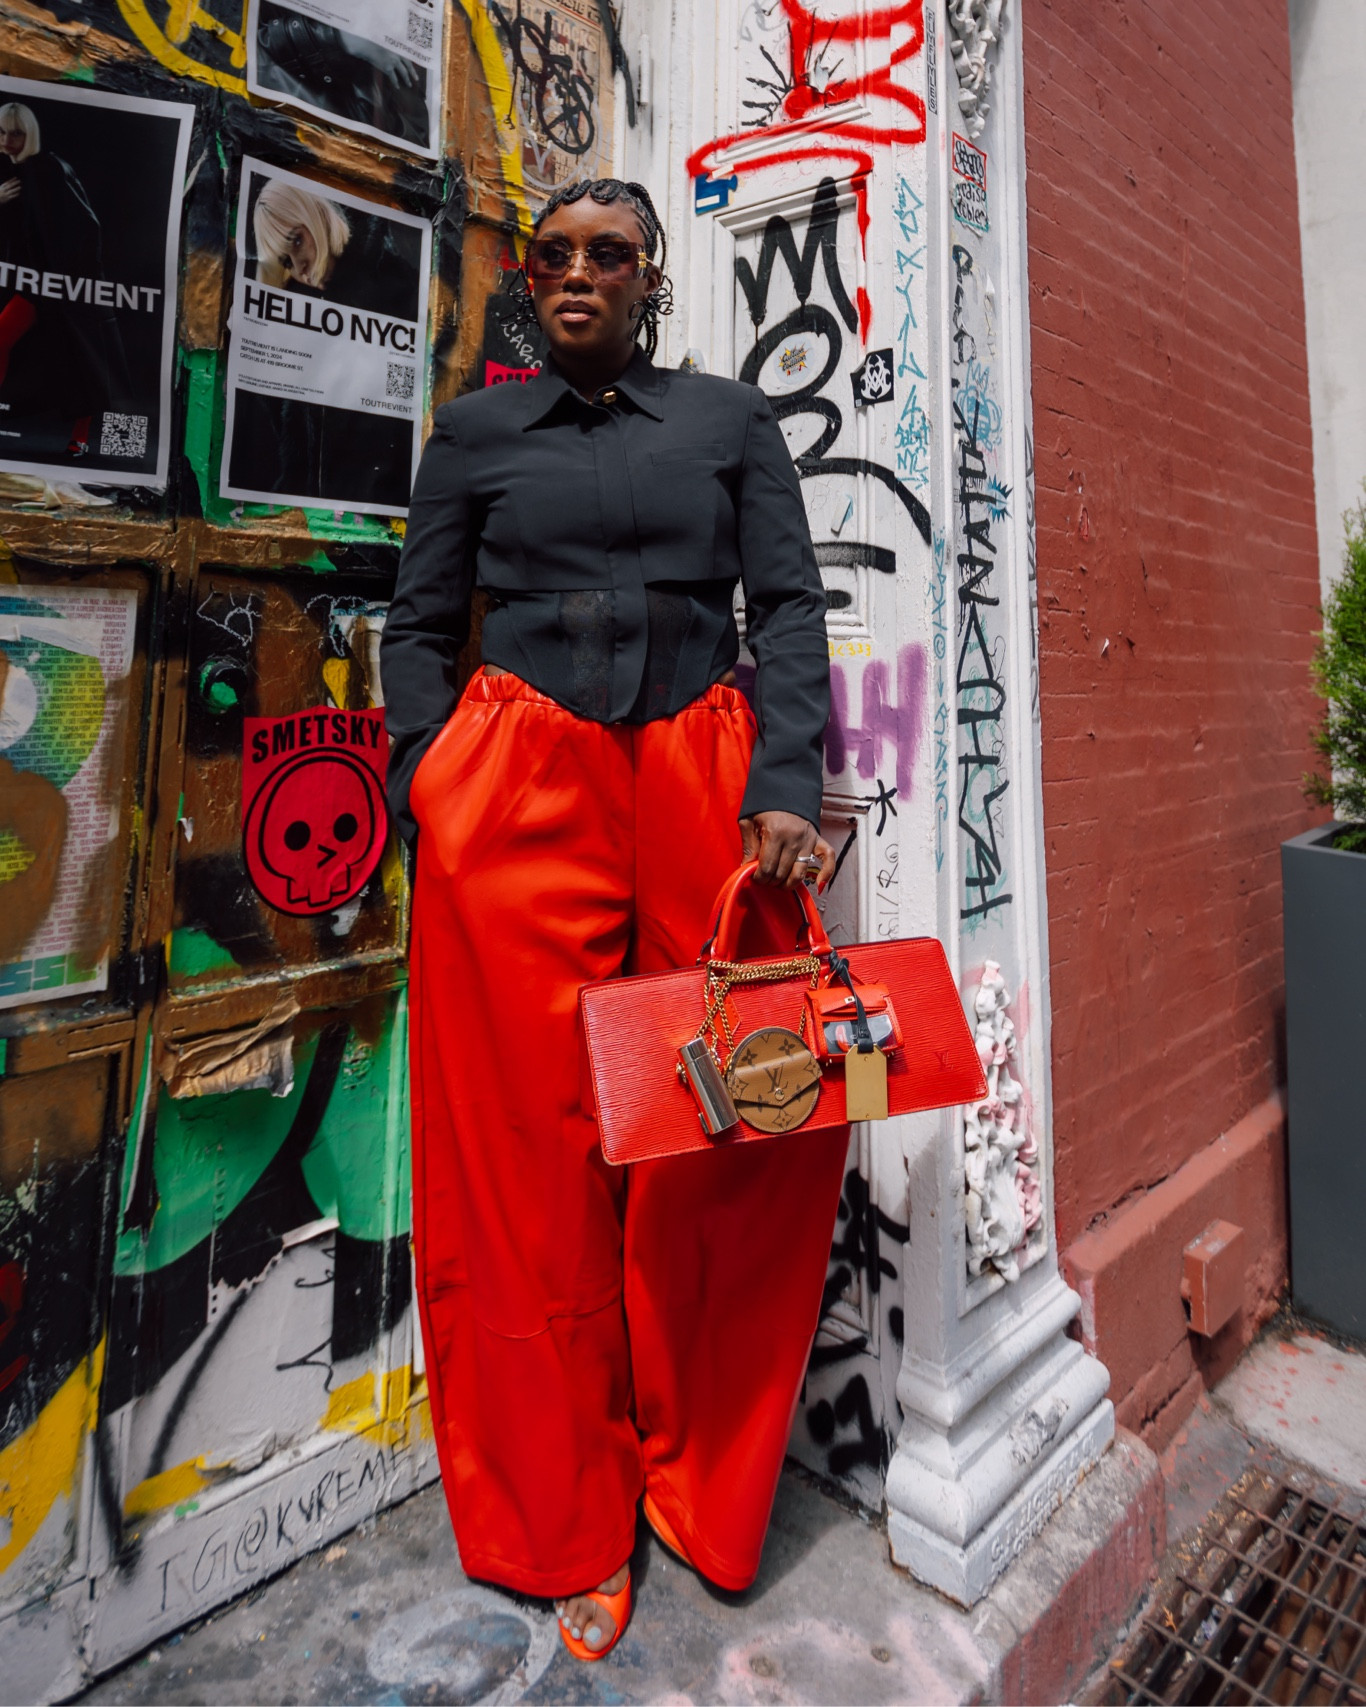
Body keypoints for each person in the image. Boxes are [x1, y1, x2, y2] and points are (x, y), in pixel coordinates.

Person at [380, 177, 850, 1663]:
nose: (578, 272)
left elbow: (787, 606)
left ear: (651, 276)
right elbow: (416, 622)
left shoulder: (727, 420)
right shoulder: (475, 433)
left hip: (703, 781)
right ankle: (565, 1521)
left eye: (610, 254)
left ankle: (698, 1484)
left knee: (733, 1124)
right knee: (528, 1156)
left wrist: (787, 780)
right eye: (555, 255)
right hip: (520, 787)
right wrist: (429, 781)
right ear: (530, 280)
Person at [0, 100, 124, 458]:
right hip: (29, 282)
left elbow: (87, 226)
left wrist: (71, 278)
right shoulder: (10, 169)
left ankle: (81, 437)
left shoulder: (48, 167)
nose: (7, 141)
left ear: (30, 134)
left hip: (62, 284)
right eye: (2, 132)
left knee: (80, 357)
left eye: (16, 133)